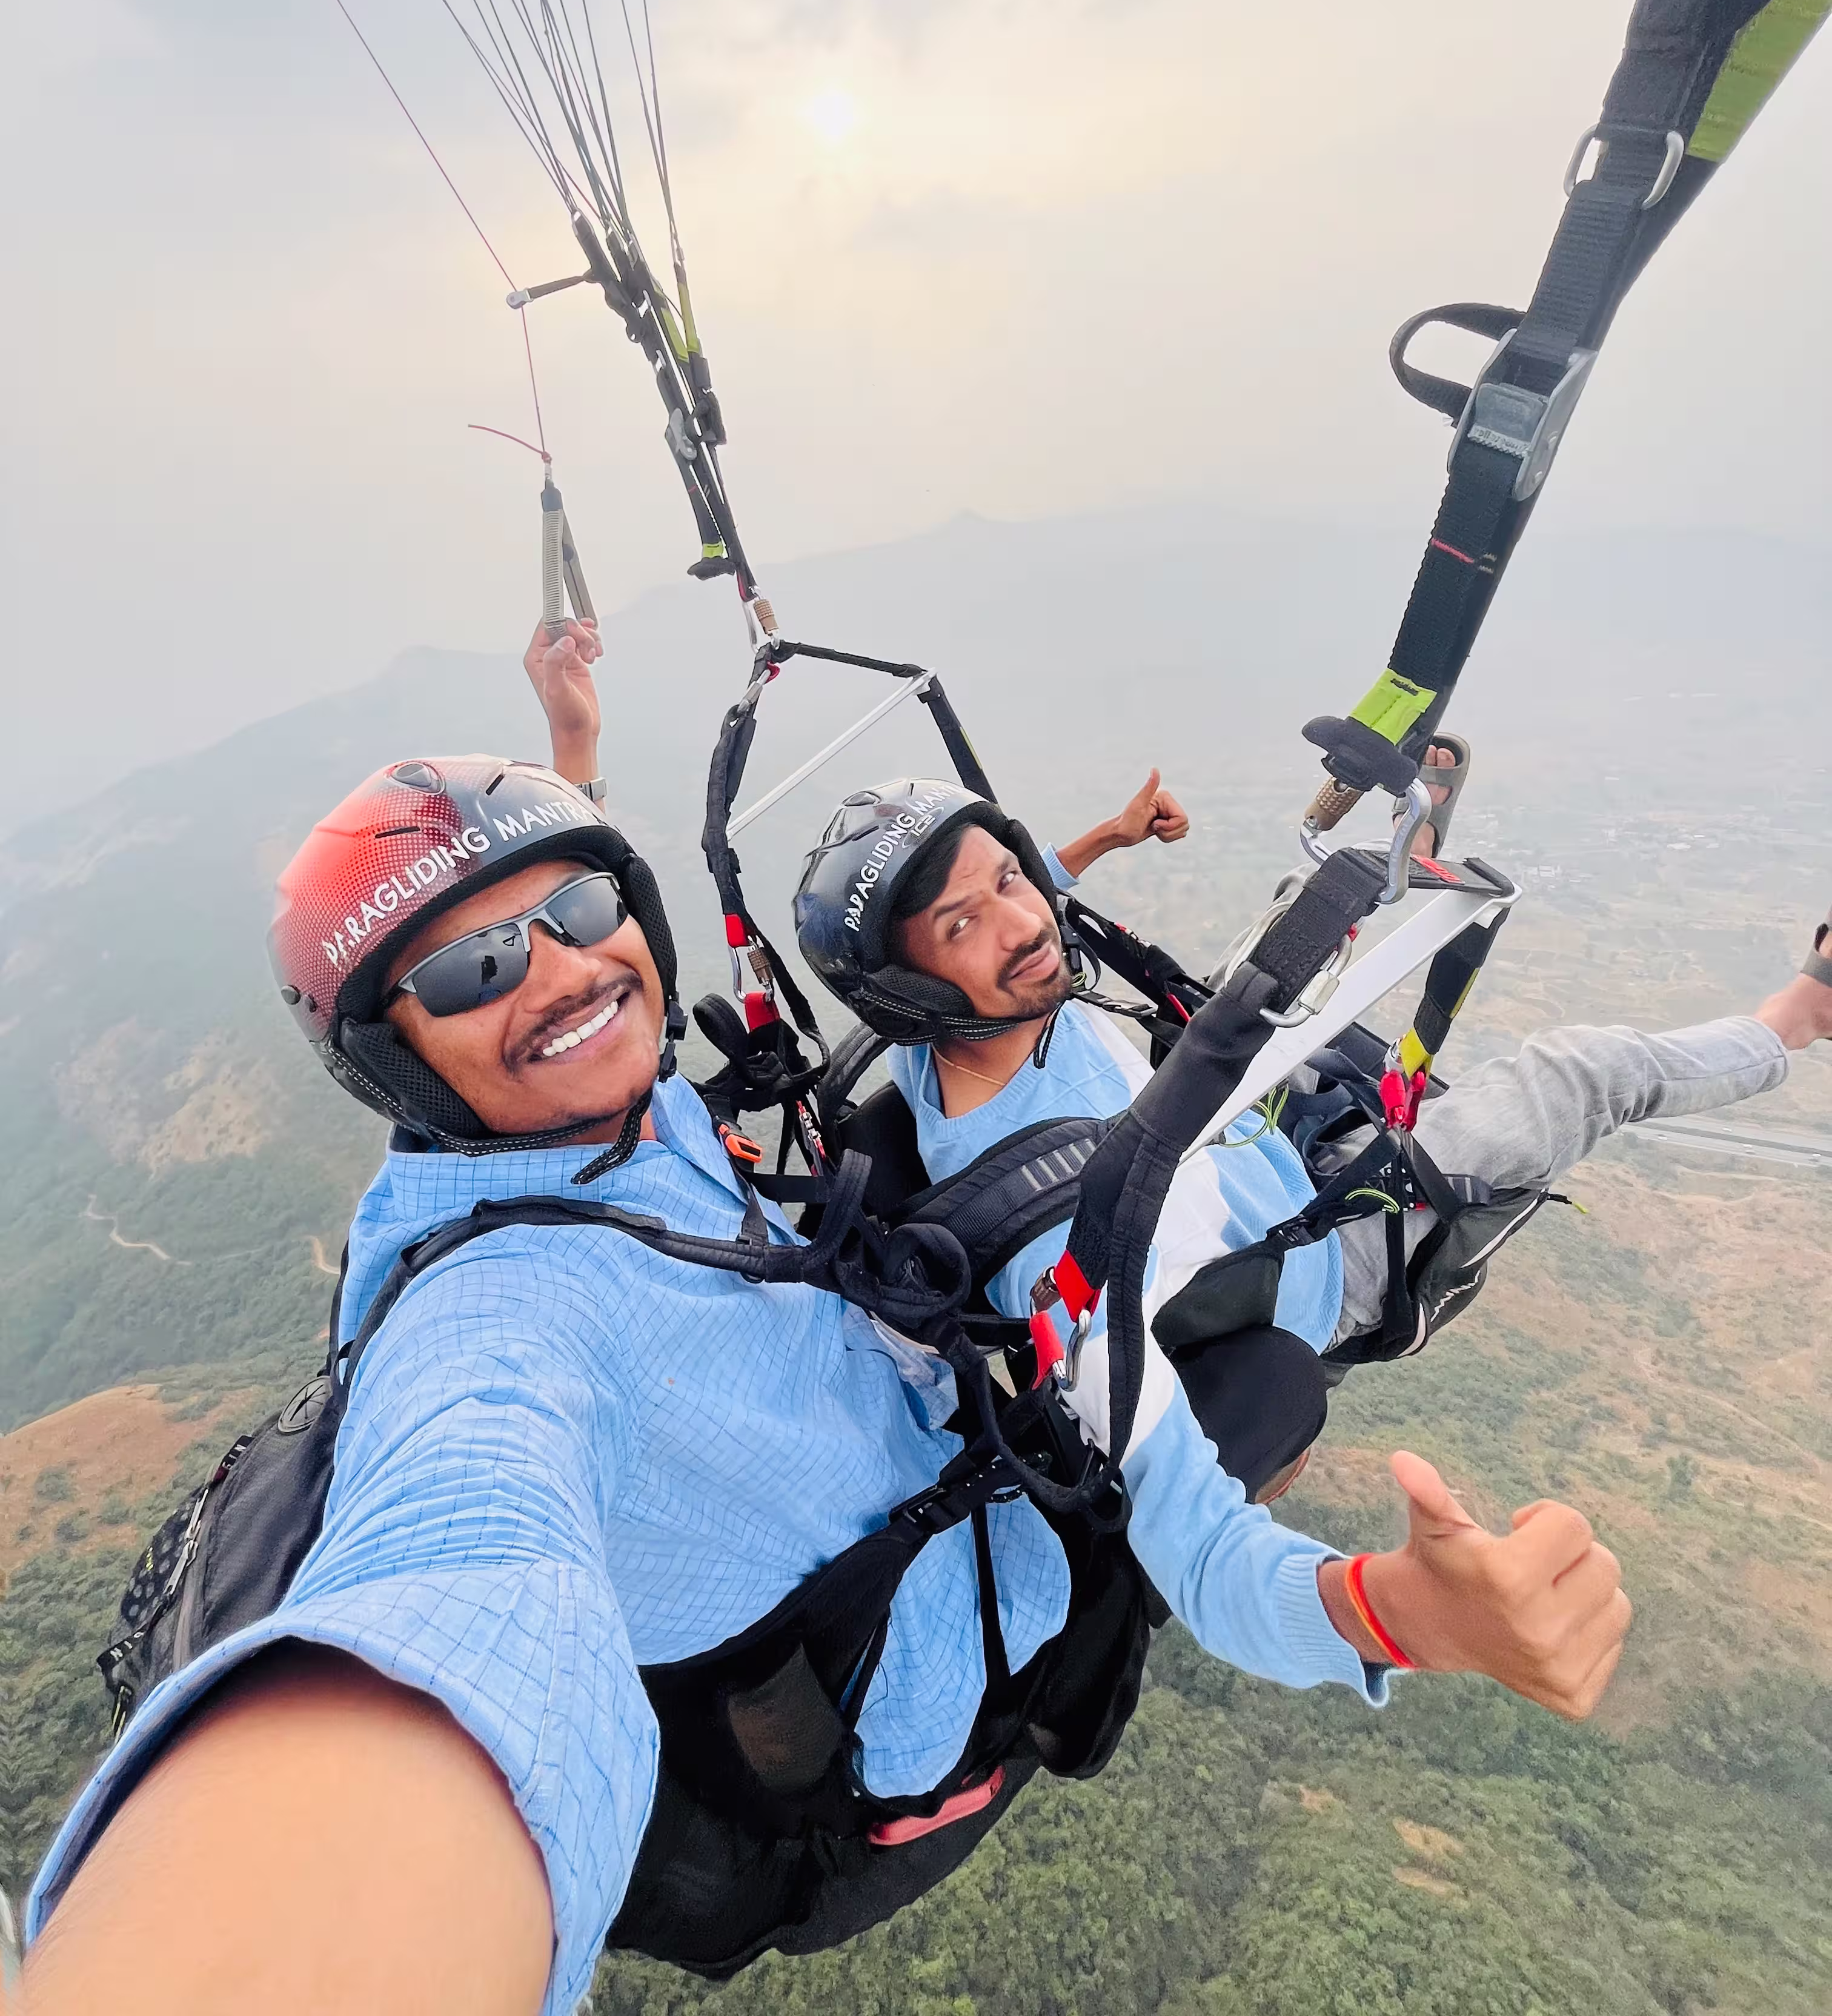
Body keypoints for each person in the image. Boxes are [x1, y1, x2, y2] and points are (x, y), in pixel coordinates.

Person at [22, 661, 1630, 2016]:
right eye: (475, 964)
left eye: (585, 904)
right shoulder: (497, 1337)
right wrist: (1408, 1612)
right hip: (932, 1719)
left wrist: (562, 748)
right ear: (395, 1054)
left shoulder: (591, 1108)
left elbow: (584, 987)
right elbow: (452, 1619)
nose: (571, 966)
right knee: (1261, 1384)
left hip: (949, 1449)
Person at [789, 760, 1831, 1514]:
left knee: (1277, 952)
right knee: (1582, 1073)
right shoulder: (1040, 1233)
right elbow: (1125, 1424)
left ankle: (1395, 867)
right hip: (1332, 1255)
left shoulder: (949, 1039)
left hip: (1262, 1137)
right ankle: (1803, 1018)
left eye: (1007, 882)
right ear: (913, 988)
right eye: (963, 927)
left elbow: (1023, 903)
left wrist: (1102, 839)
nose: (1022, 925)